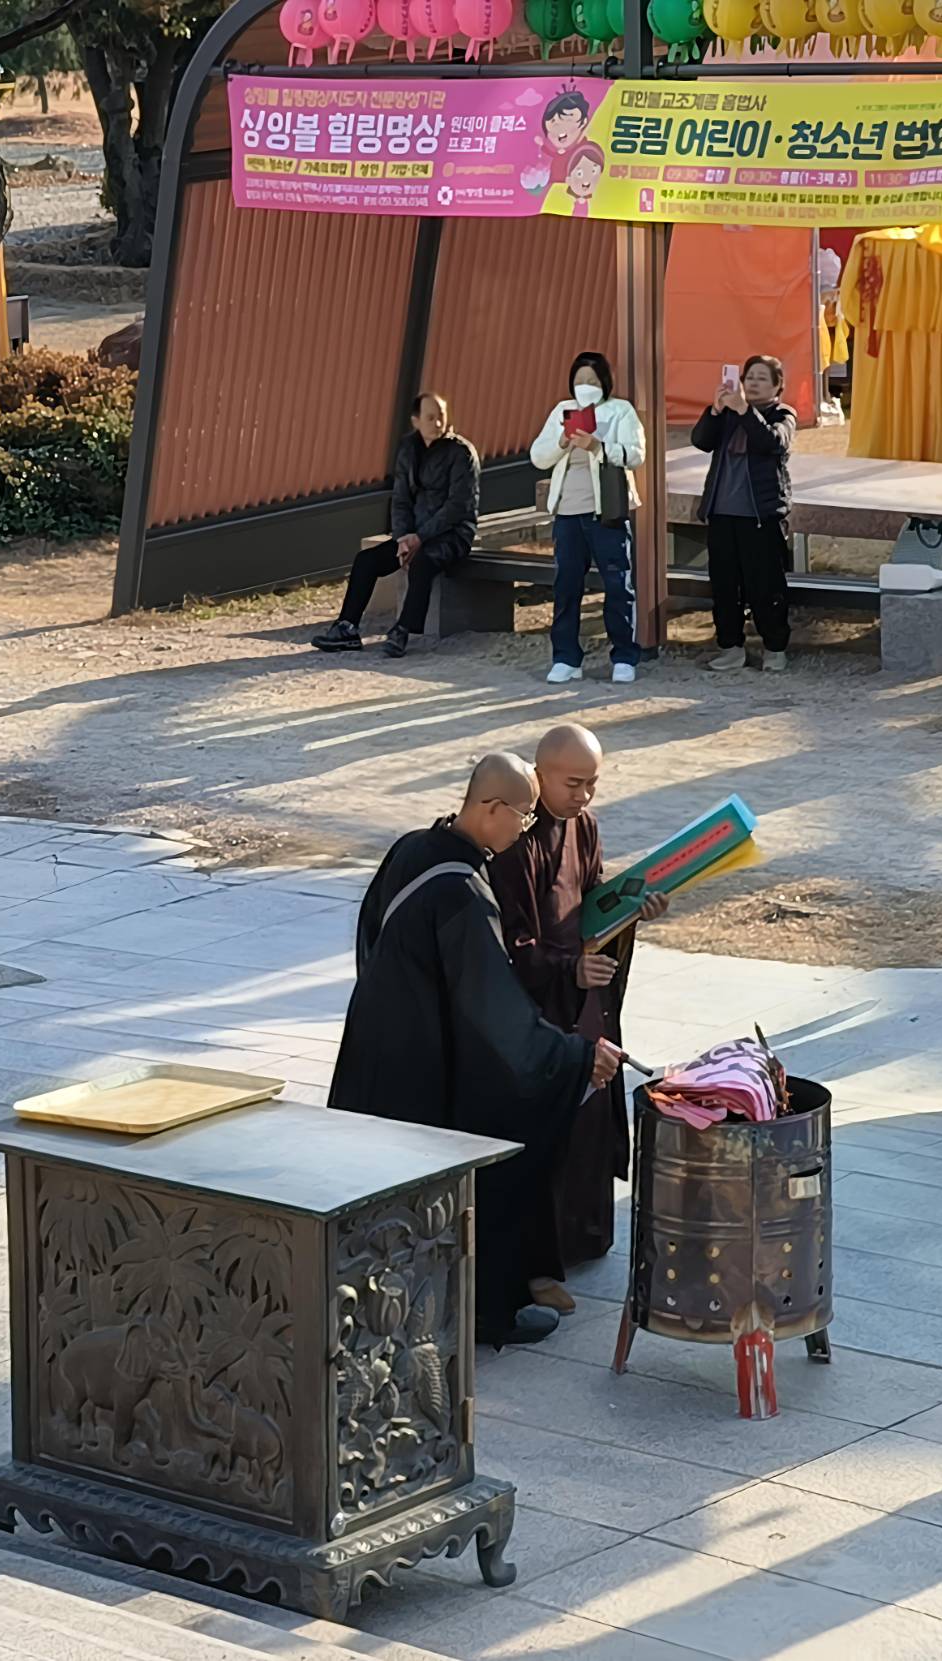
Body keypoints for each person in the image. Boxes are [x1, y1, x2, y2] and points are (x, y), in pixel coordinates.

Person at [328, 752, 622, 1349]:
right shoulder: (462, 892)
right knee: (496, 1145)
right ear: (490, 808)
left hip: (377, 1046)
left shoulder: (413, 848)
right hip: (424, 1068)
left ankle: (392, 1308)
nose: (525, 829)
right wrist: (572, 1056)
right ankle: (485, 1312)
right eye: (522, 815)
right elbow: (494, 1008)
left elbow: (370, 939)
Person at [489, 724, 667, 1314]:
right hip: (541, 1005)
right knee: (550, 1128)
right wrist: (568, 970)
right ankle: (539, 1262)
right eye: (572, 783)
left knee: (591, 1120)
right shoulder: (517, 839)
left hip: (584, 993)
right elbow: (511, 941)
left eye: (592, 783)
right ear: (538, 774)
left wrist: (636, 909)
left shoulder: (584, 826)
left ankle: (584, 1236)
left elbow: (593, 905)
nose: (583, 796)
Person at [312, 393, 480, 661]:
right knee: (367, 561)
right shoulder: (408, 449)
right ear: (416, 421)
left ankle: (402, 630)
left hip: (452, 534)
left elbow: (457, 506)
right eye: (430, 418)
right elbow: (400, 499)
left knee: (423, 562)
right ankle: (347, 627)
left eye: (441, 416)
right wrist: (402, 538)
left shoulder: (461, 452)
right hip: (413, 534)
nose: (438, 423)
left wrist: (419, 538)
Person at [531, 352, 645, 688]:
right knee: (566, 586)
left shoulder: (621, 410)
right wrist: (562, 441)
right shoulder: (562, 410)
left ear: (605, 383)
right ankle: (566, 657)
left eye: (592, 381)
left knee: (617, 584)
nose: (585, 387)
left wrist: (598, 446)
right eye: (580, 380)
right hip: (568, 512)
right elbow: (538, 457)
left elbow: (636, 454)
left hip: (605, 511)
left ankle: (624, 656)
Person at [691, 355, 796, 675]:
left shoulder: (783, 414)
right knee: (724, 586)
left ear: (777, 385)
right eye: (749, 377)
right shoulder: (727, 414)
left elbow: (772, 443)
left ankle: (774, 648)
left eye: (762, 378)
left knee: (765, 585)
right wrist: (715, 410)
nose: (753, 383)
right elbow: (700, 441)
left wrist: (745, 411)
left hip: (760, 515)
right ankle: (730, 647)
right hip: (722, 512)